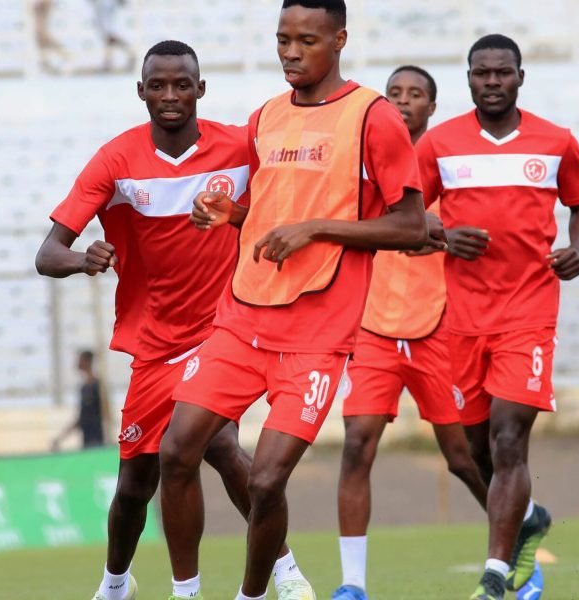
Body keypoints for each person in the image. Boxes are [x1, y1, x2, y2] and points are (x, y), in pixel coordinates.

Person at [161, 2, 431, 599]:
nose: (289, 51)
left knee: (264, 481)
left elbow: (411, 226)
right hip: (242, 320)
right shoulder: (265, 118)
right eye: (282, 39)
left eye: (305, 40)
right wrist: (230, 215)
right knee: (176, 452)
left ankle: (254, 594)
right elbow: (268, 217)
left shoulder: (373, 117)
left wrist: (317, 229)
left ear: (339, 40)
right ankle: (184, 594)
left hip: (316, 335)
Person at [35, 40, 307, 600]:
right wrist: (83, 257)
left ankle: (278, 571)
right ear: (140, 92)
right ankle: (116, 582)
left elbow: (277, 215)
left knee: (219, 447)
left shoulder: (238, 149)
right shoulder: (116, 160)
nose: (170, 95)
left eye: (182, 84)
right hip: (155, 342)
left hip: (225, 331)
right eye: (157, 85)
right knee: (135, 484)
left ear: (200, 90)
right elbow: (47, 253)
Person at [415, 34, 579, 600]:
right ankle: (528, 517)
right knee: (477, 450)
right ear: (468, 79)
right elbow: (401, 217)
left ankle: (495, 575)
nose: (491, 82)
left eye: (502, 73)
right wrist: (444, 235)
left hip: (529, 312)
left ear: (521, 76)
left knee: (509, 435)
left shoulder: (554, 141)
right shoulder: (441, 145)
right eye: (481, 74)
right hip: (462, 319)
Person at [330, 65, 487, 600]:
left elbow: (448, 235)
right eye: (394, 93)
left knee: (462, 457)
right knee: (357, 446)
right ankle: (352, 583)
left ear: (431, 108)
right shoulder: (366, 172)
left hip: (437, 331)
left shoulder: (445, 173)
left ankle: (511, 545)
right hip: (372, 330)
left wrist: (435, 238)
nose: (402, 102)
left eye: (414, 94)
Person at [52, 350, 107, 450]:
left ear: (87, 361)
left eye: (80, 359)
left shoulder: (97, 385)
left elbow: (105, 413)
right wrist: (61, 437)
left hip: (97, 440)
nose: (77, 363)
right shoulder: (83, 388)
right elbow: (82, 418)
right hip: (87, 440)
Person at [92, 0, 136, 73]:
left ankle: (131, 55)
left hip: (110, 25)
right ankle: (108, 62)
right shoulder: (102, 4)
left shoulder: (107, 3)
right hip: (106, 25)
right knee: (110, 42)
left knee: (112, 40)